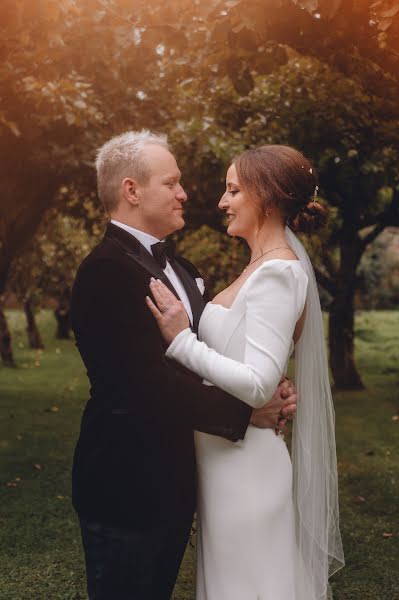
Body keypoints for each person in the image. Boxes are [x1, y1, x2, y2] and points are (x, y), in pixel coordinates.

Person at [70, 131, 298, 600]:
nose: (185, 194)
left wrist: (266, 376)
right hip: (127, 487)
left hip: (177, 483)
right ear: (131, 191)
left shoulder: (182, 267)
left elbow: (205, 354)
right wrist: (246, 411)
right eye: (171, 183)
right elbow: (140, 386)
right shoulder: (106, 270)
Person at [147, 145, 345, 600]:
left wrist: (182, 341)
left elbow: (257, 385)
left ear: (267, 198)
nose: (221, 201)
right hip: (223, 461)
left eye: (233, 189)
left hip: (246, 468)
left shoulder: (278, 274)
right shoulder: (259, 267)